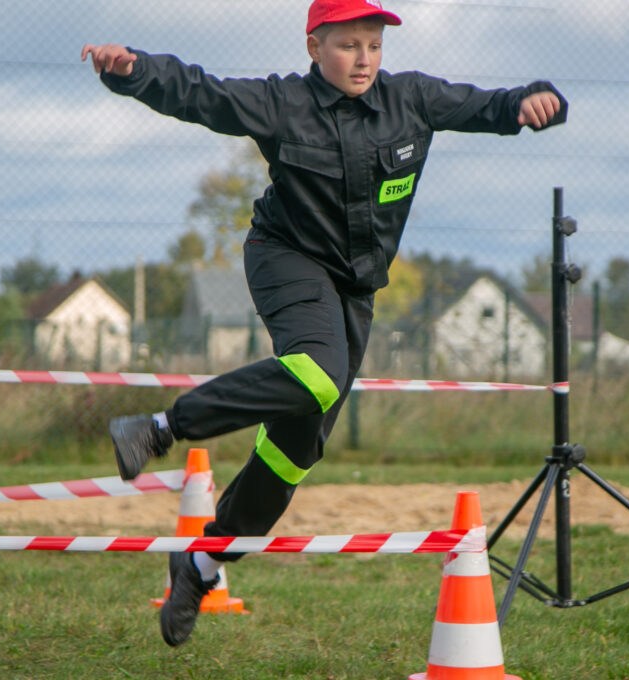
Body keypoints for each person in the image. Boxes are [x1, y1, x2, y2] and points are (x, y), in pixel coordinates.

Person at [81, 0, 566, 647]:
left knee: (292, 455)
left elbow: (491, 106)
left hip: (355, 288)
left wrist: (537, 99)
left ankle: (199, 564)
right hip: (287, 258)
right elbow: (201, 94)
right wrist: (131, 70)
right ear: (314, 48)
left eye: (373, 45)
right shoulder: (284, 105)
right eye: (347, 45)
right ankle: (159, 428)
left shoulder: (413, 100)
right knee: (315, 375)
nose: (363, 58)